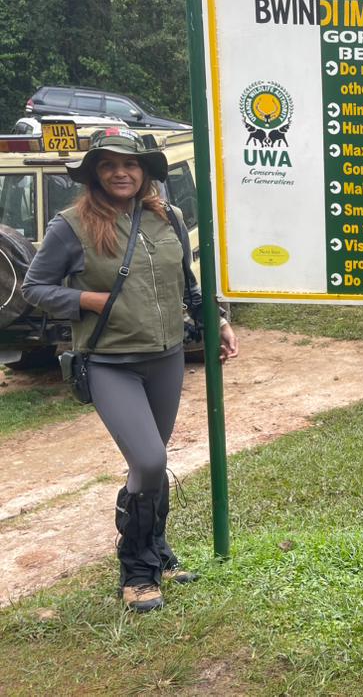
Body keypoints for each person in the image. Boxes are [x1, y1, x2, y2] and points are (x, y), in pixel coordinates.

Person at [22, 127, 239, 613]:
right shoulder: (72, 225)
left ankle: (157, 555)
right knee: (148, 461)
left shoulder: (170, 218)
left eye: (131, 164)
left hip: (164, 358)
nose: (121, 172)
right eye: (109, 165)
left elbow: (188, 284)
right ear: (95, 174)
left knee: (152, 466)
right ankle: (136, 572)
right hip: (108, 363)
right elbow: (35, 287)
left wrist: (217, 322)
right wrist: (86, 299)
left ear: (145, 172)